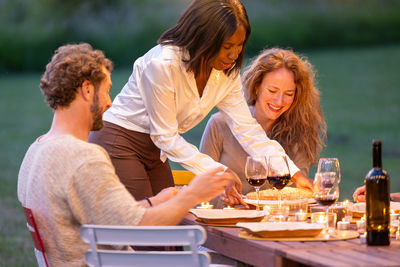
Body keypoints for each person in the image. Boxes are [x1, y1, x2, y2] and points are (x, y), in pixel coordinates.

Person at [17, 43, 235, 266]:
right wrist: (195, 194)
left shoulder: (36, 151)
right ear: (87, 89)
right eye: (107, 90)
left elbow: (109, 217)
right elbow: (140, 229)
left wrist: (154, 201)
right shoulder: (83, 157)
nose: (110, 103)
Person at [89, 0, 307, 205]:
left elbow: (247, 129)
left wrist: (291, 172)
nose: (233, 54)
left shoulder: (226, 74)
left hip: (157, 148)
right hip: (120, 139)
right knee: (145, 229)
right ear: (204, 38)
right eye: (226, 45)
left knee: (170, 227)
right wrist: (218, 172)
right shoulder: (163, 65)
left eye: (239, 45)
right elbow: (165, 136)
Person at [200, 48, 326, 194]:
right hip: (224, 214)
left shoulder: (298, 132)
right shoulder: (220, 123)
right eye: (272, 91)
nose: (279, 101)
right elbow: (202, 180)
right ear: (256, 87)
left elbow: (297, 192)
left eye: (289, 94)